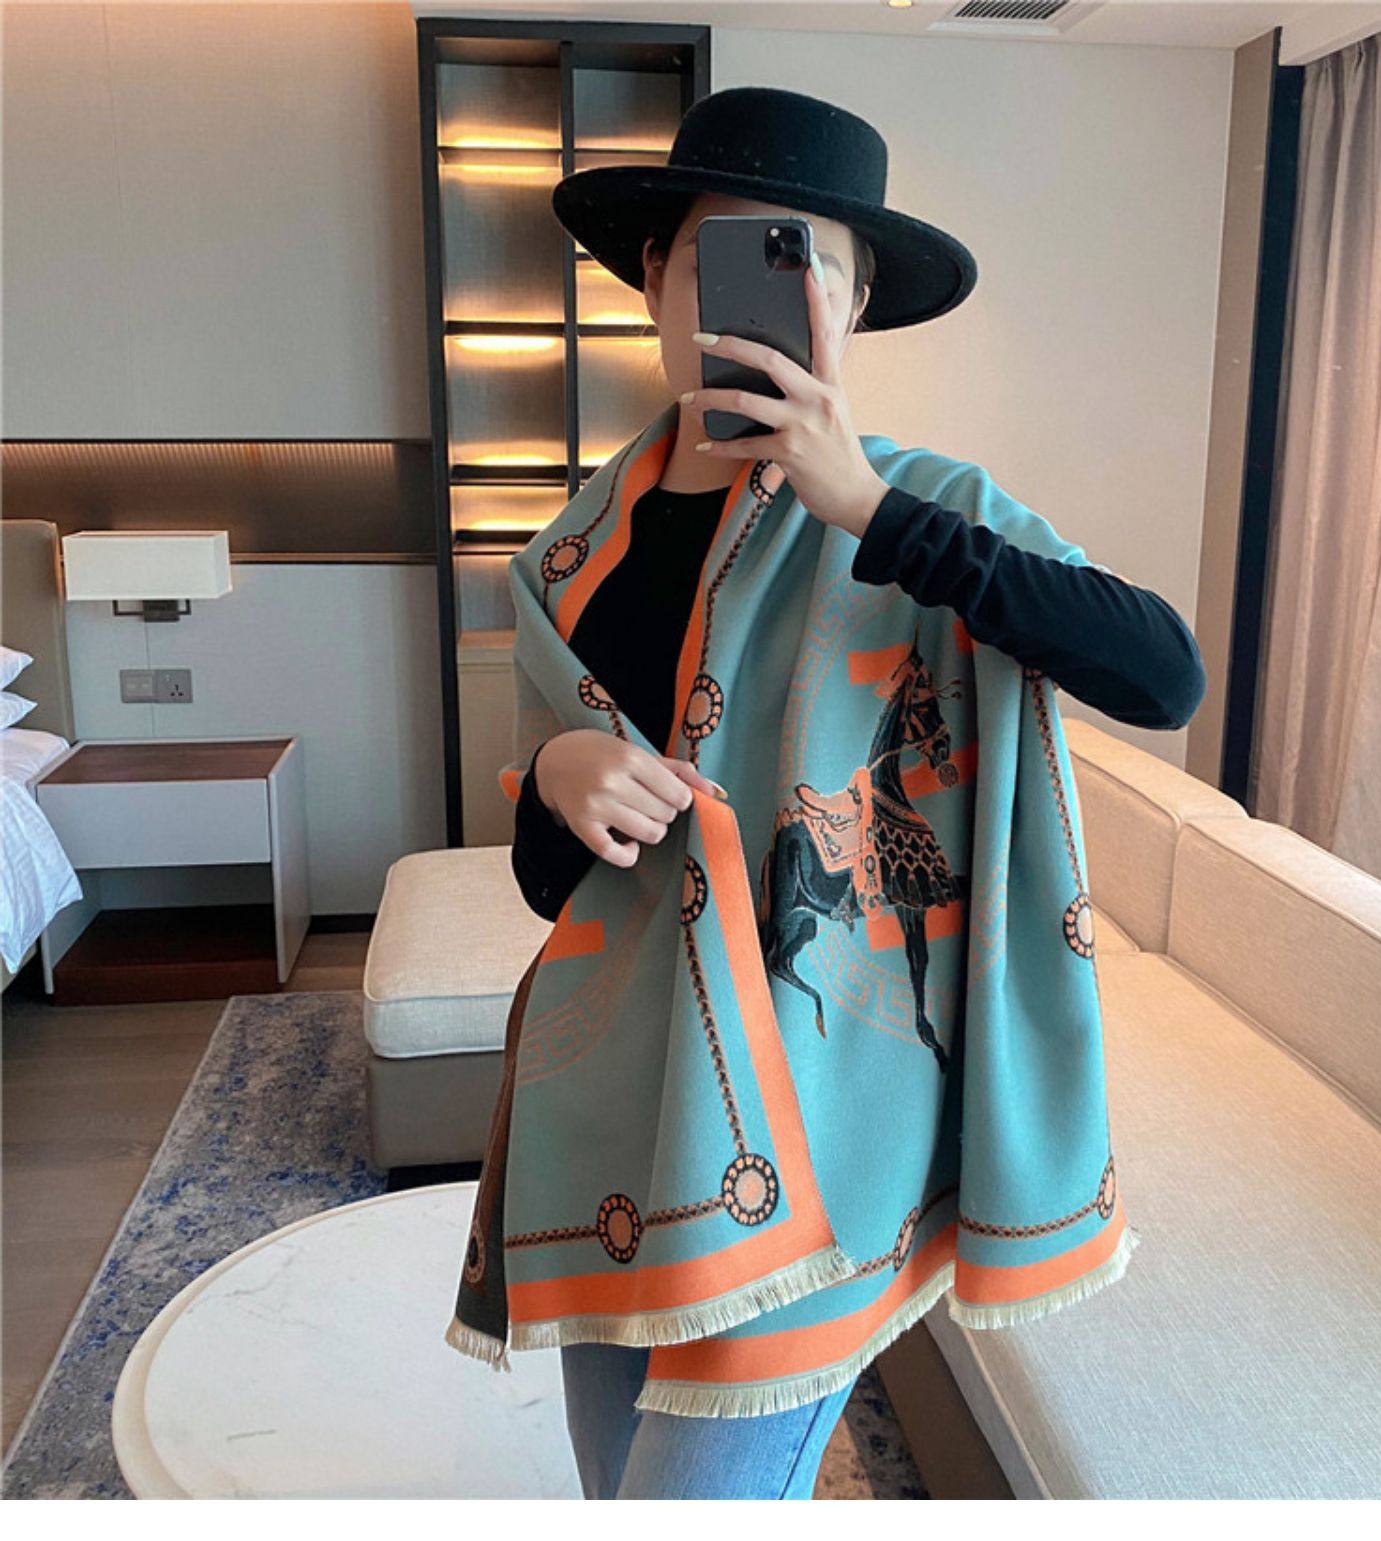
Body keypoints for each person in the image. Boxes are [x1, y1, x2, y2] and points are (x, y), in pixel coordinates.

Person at [466, 86, 1203, 1501]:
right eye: (726, 255)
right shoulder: (570, 559)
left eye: (808, 262)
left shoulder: (926, 511)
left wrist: (865, 506)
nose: (766, 293)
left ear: (854, 308)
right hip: (613, 1110)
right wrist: (556, 777)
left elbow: (1162, 672)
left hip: (826, 1127)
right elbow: (552, 889)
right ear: (656, 280)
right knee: (614, 1493)